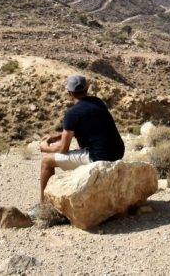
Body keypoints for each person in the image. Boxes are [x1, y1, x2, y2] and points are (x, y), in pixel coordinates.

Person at [37, 74, 125, 204]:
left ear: (69, 93)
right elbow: (87, 127)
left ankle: (44, 204)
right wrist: (58, 136)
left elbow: (63, 149)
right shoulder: (98, 102)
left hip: (98, 158)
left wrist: (45, 147)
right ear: (87, 89)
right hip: (118, 152)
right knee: (79, 148)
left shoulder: (72, 113)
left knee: (46, 161)